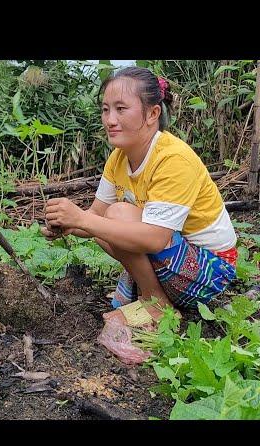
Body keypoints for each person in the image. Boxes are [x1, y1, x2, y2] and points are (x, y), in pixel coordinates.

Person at [42, 66, 237, 322]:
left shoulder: (173, 158)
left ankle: (156, 304)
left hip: (211, 271)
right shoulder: (118, 158)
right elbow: (95, 217)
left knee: (117, 215)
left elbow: (155, 239)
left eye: (121, 109)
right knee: (104, 224)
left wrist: (82, 219)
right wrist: (66, 223)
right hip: (173, 260)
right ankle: (150, 291)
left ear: (152, 113)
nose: (110, 120)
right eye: (105, 109)